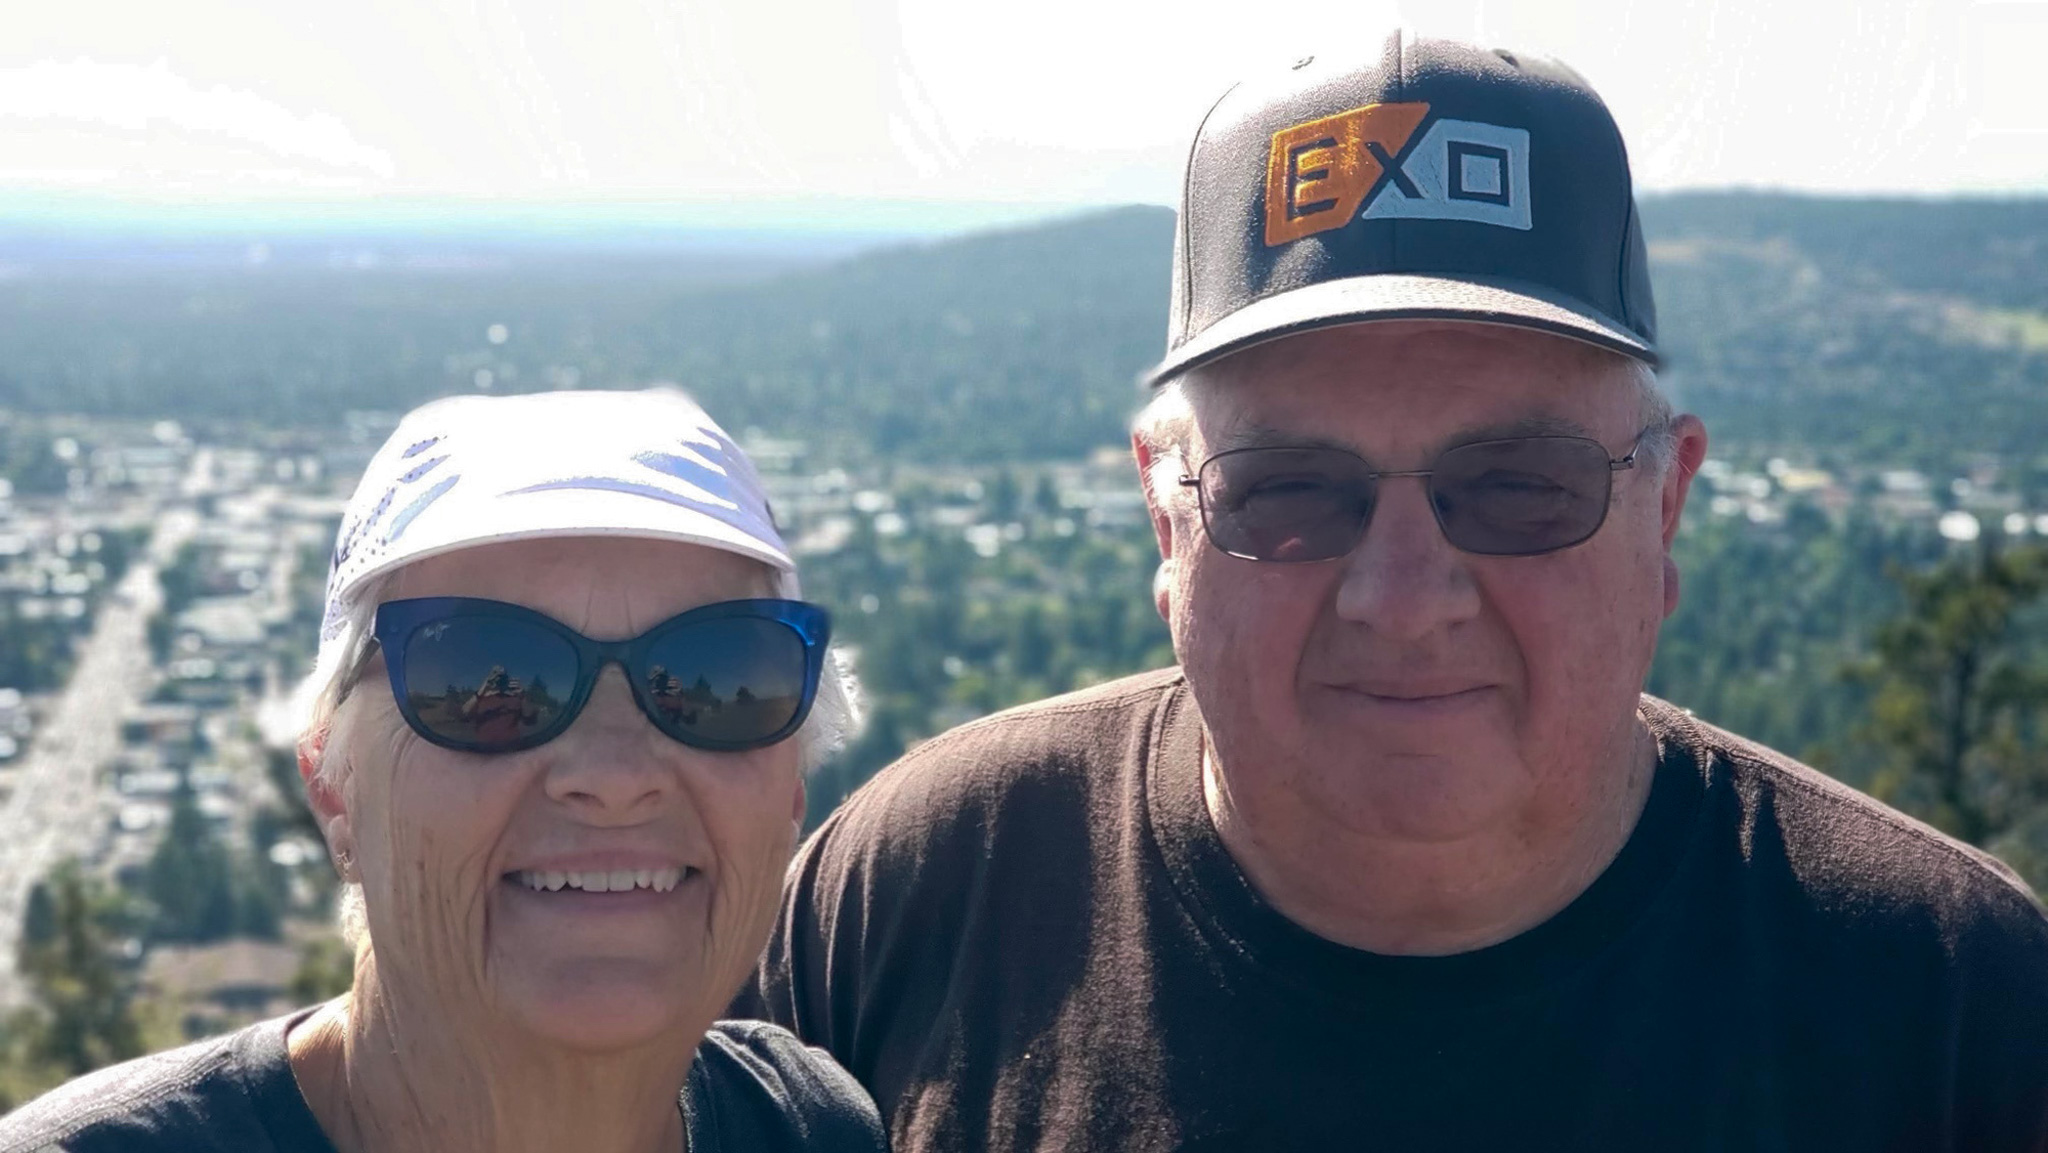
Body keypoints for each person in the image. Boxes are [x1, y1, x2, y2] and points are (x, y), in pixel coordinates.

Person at [739, 32, 2048, 1151]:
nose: (1404, 593)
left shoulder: (1947, 997)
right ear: (1165, 511)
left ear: (1667, 508)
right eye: (1291, 491)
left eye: (1521, 486)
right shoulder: (920, 889)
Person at [0, 390, 887, 1153]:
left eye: (715, 681)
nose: (615, 773)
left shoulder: (810, 1126)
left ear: (792, 794)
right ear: (332, 787)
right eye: (482, 680)